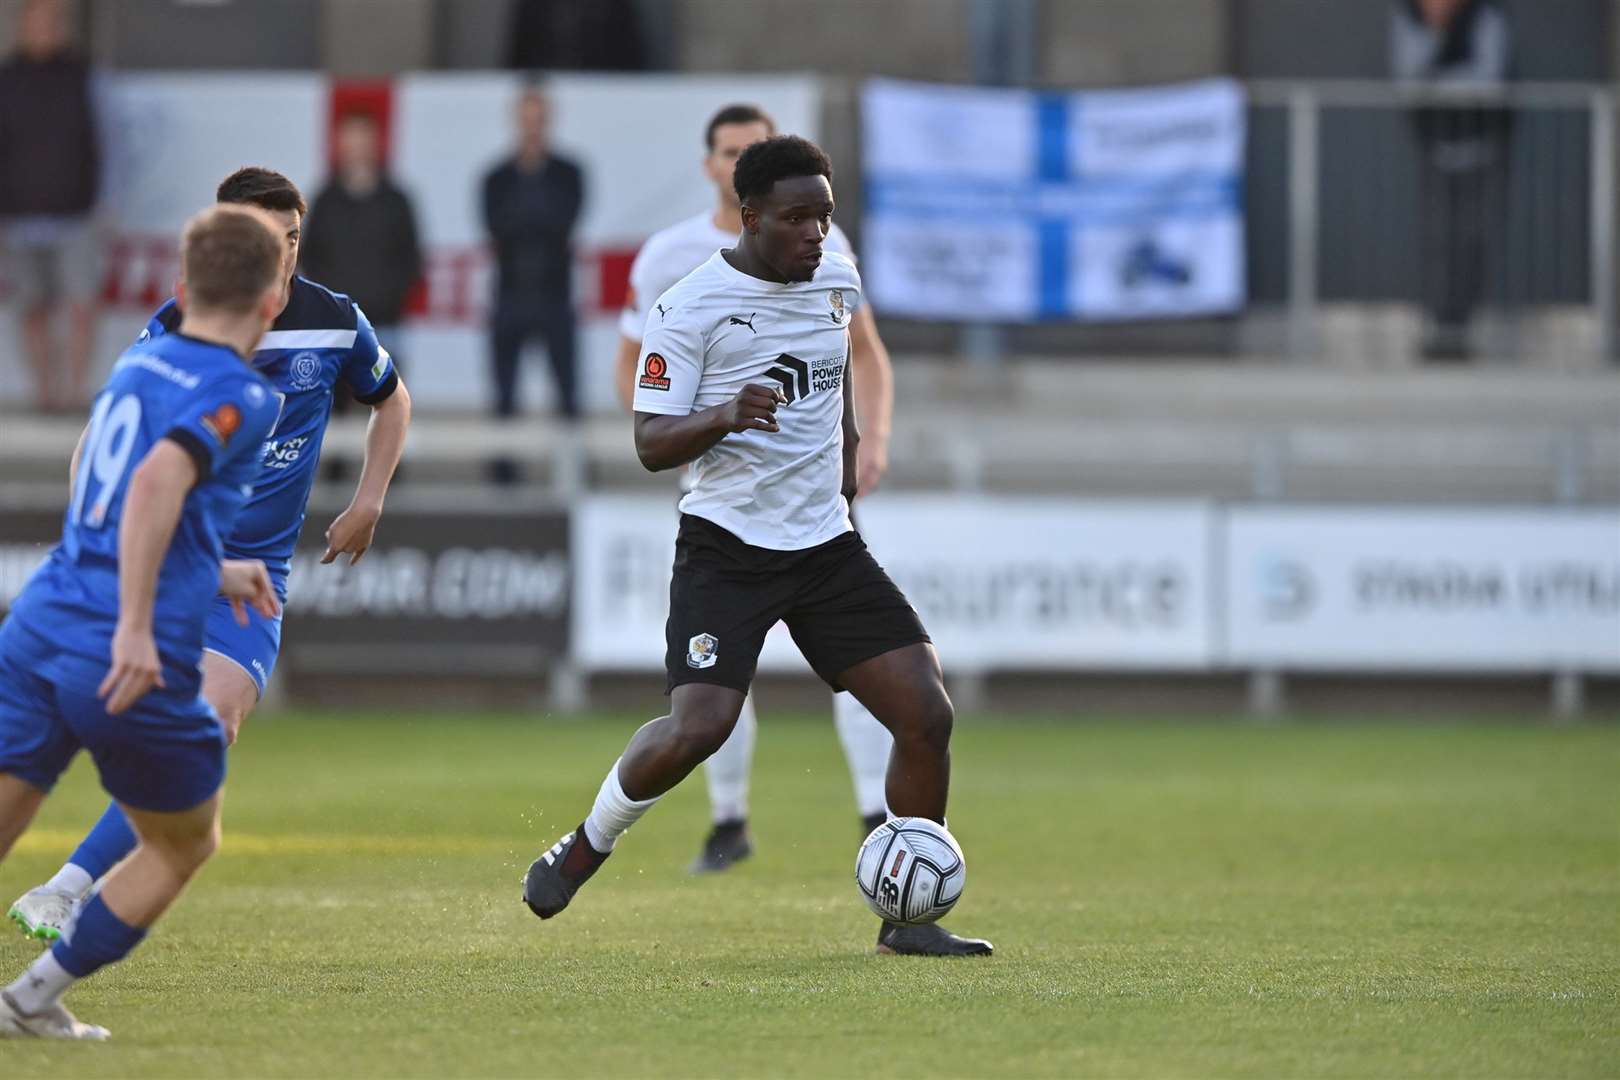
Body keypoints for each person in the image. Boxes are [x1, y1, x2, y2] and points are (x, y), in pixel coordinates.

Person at [523, 135, 991, 957]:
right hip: (728, 548)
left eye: (825, 216)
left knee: (924, 713)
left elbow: (837, 380)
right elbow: (649, 441)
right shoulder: (687, 307)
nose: (816, 233)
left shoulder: (837, 279)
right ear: (750, 218)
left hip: (825, 549)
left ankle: (906, 919)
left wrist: (844, 472)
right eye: (797, 218)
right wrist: (721, 414)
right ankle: (586, 843)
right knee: (697, 727)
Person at [9, 167, 412, 942]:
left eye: (293, 239)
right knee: (65, 741)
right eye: (266, 240)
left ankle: (65, 890)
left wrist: (369, 499)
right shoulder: (180, 334)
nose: (284, 256)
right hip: (163, 559)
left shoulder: (333, 320)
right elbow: (103, 450)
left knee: (207, 725)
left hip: (250, 576)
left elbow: (390, 398)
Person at [0, 205, 287, 1039]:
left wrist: (209, 562)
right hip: (123, 649)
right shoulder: (246, 394)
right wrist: (132, 624)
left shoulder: (141, 361)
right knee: (182, 843)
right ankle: (30, 1000)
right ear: (272, 301)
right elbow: (160, 480)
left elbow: (103, 470)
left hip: (43, 619)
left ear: (178, 287)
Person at [614, 104, 897, 874]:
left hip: (814, 503)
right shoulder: (670, 260)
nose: (811, 225)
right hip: (720, 500)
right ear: (714, 169)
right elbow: (636, 374)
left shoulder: (824, 248)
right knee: (714, 691)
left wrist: (863, 438)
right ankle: (727, 818)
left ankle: (880, 814)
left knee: (876, 669)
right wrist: (693, 432)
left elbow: (859, 352)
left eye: (754, 144)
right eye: (732, 149)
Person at [301, 109, 423, 479]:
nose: (356, 148)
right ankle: (334, 480)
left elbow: (412, 258)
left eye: (363, 140)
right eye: (349, 140)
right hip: (337, 324)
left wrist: (388, 299)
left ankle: (390, 482)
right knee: (333, 405)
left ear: (376, 145)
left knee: (387, 400)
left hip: (385, 321)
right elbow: (310, 255)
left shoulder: (397, 199)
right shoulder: (325, 199)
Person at [1390, 0, 1512, 361]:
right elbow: (1409, 82)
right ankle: (1437, 329)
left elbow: (1488, 82)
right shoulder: (1410, 19)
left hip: (1480, 149)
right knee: (1437, 242)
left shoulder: (1483, 18)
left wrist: (1437, 81)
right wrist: (1439, 44)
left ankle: (1461, 329)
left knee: (1472, 242)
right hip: (1435, 150)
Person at [0, 0, 101, 412]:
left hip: (75, 213)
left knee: (80, 304)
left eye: (50, 23)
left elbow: (107, 141)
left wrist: (103, 202)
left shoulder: (84, 78)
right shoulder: (6, 79)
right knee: (32, 307)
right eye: (35, 23)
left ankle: (73, 391)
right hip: (19, 214)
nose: (43, 31)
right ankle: (45, 393)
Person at [482, 86, 585, 425]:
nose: (532, 127)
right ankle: (503, 474)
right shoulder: (496, 178)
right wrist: (534, 216)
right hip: (510, 291)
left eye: (538, 119)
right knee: (504, 397)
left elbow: (563, 221)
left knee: (569, 394)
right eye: (526, 119)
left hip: (555, 292)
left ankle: (576, 471)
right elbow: (498, 227)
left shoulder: (568, 173)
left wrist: (528, 215)